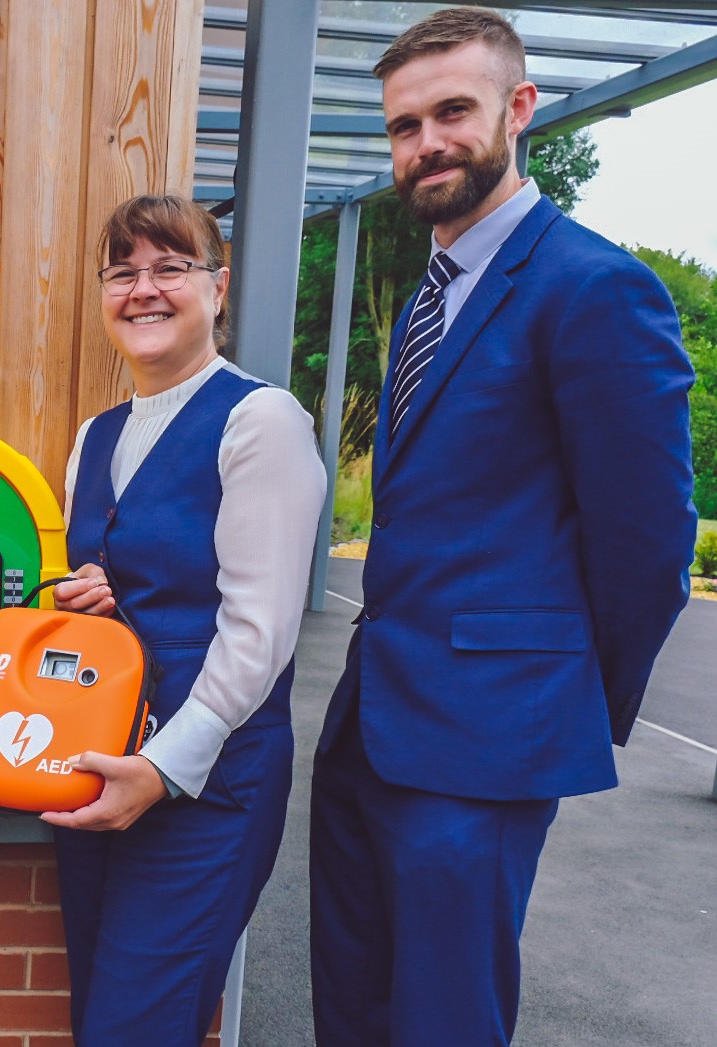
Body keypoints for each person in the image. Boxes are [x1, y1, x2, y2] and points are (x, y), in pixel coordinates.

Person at [309, 9, 697, 1045]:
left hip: (487, 739)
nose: (425, 143)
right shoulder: (430, 297)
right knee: (353, 1000)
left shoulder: (594, 289)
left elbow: (648, 541)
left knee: (442, 1017)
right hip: (371, 720)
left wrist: (555, 695)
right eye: (402, 126)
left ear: (517, 109)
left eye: (450, 112)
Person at [41, 194, 326, 1043]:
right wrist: (92, 597)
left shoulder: (261, 420)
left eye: (170, 268)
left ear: (218, 287)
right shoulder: (94, 436)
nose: (144, 289)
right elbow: (133, 589)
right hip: (98, 773)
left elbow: (260, 629)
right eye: (123, 272)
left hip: (206, 788)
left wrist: (162, 768)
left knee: (138, 1024)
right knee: (101, 1012)